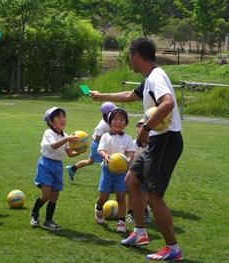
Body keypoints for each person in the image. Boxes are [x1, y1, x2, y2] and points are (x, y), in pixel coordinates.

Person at [91, 37, 184, 261]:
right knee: (131, 180)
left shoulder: (157, 76)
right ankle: (140, 233)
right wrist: (101, 96)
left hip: (166, 141)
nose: (129, 60)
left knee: (153, 196)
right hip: (158, 140)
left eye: (129, 56)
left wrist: (147, 128)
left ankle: (173, 248)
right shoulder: (149, 78)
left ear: (137, 56)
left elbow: (168, 102)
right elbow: (128, 96)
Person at [30, 107, 82, 231]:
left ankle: (48, 221)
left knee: (54, 196)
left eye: (64, 116)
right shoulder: (49, 133)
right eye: (58, 117)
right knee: (46, 194)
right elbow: (53, 146)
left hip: (58, 166)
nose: (62, 119)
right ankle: (34, 212)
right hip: (46, 165)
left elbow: (69, 153)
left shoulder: (66, 136)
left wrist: (79, 151)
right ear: (51, 122)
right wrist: (68, 139)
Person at [94, 108, 135, 233]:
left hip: (122, 172)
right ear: (110, 122)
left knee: (121, 197)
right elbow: (100, 149)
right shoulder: (106, 136)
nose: (118, 122)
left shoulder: (128, 138)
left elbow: (130, 153)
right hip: (107, 170)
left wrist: (127, 160)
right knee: (103, 196)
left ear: (126, 123)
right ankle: (99, 209)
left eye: (121, 120)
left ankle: (121, 222)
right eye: (115, 119)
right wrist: (106, 156)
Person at [66, 102, 116, 181]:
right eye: (113, 114)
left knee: (90, 161)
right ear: (107, 114)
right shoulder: (103, 125)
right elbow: (97, 138)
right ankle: (108, 182)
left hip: (100, 145)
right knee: (108, 162)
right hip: (98, 145)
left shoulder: (109, 123)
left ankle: (72, 168)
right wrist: (109, 137)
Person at [126, 118, 151, 224]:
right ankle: (130, 213)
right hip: (133, 173)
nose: (142, 129)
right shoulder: (131, 144)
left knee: (146, 193)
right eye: (140, 126)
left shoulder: (153, 145)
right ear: (137, 129)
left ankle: (145, 211)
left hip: (147, 174)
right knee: (131, 193)